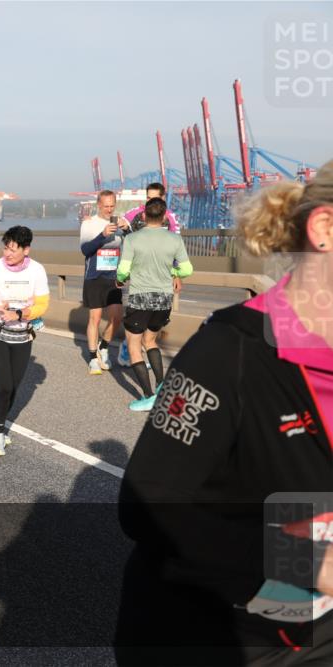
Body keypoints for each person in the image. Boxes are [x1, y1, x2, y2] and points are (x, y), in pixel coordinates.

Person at [116, 161, 333, 665]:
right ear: (324, 228)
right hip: (214, 640)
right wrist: (305, 559)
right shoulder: (228, 352)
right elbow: (146, 506)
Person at [0, 226, 50, 456]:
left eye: (13, 250)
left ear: (26, 250)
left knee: (14, 387)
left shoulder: (37, 271)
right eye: (5, 248)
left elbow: (42, 304)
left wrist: (20, 314)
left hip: (21, 335)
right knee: (4, 385)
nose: (7, 254)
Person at [115, 197, 194, 411]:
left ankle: (148, 397)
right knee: (150, 341)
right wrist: (171, 271)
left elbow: (123, 270)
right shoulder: (174, 240)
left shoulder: (132, 239)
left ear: (143, 215)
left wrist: (121, 279)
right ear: (164, 217)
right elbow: (187, 269)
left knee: (134, 345)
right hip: (164, 298)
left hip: (140, 297)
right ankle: (160, 385)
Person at [80, 189, 131, 374]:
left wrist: (127, 230)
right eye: (106, 206)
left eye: (112, 206)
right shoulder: (89, 223)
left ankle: (104, 346)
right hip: (94, 276)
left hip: (113, 277)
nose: (109, 210)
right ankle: (93, 358)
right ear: (98, 205)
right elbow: (85, 249)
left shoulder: (121, 222)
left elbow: (134, 244)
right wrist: (102, 235)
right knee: (94, 318)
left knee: (117, 317)